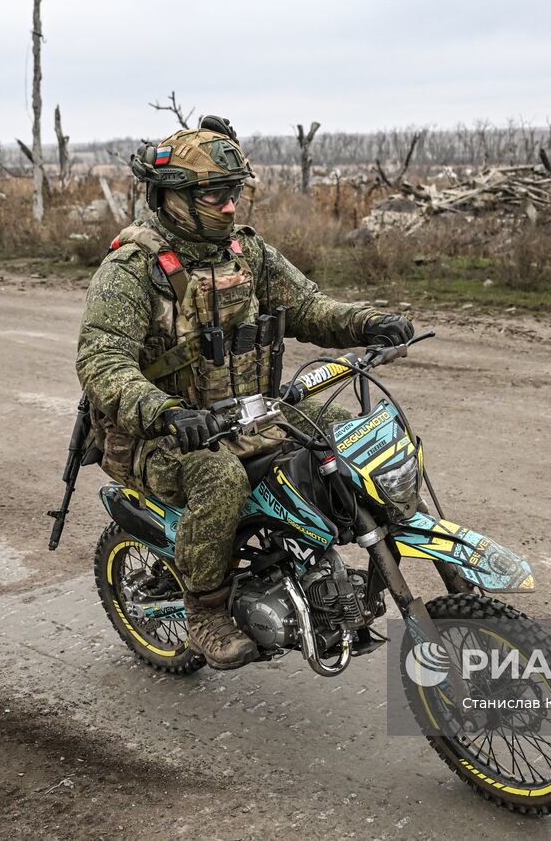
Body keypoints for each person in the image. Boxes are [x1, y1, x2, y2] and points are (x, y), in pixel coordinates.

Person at [76, 116, 412, 669]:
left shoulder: (245, 254)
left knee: (337, 434)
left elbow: (307, 305)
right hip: (161, 437)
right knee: (220, 478)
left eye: (233, 194)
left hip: (251, 416)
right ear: (172, 198)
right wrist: (166, 412)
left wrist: (365, 322)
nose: (231, 207)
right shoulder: (131, 270)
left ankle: (344, 552)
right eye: (215, 195)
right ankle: (205, 613)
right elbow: (102, 362)